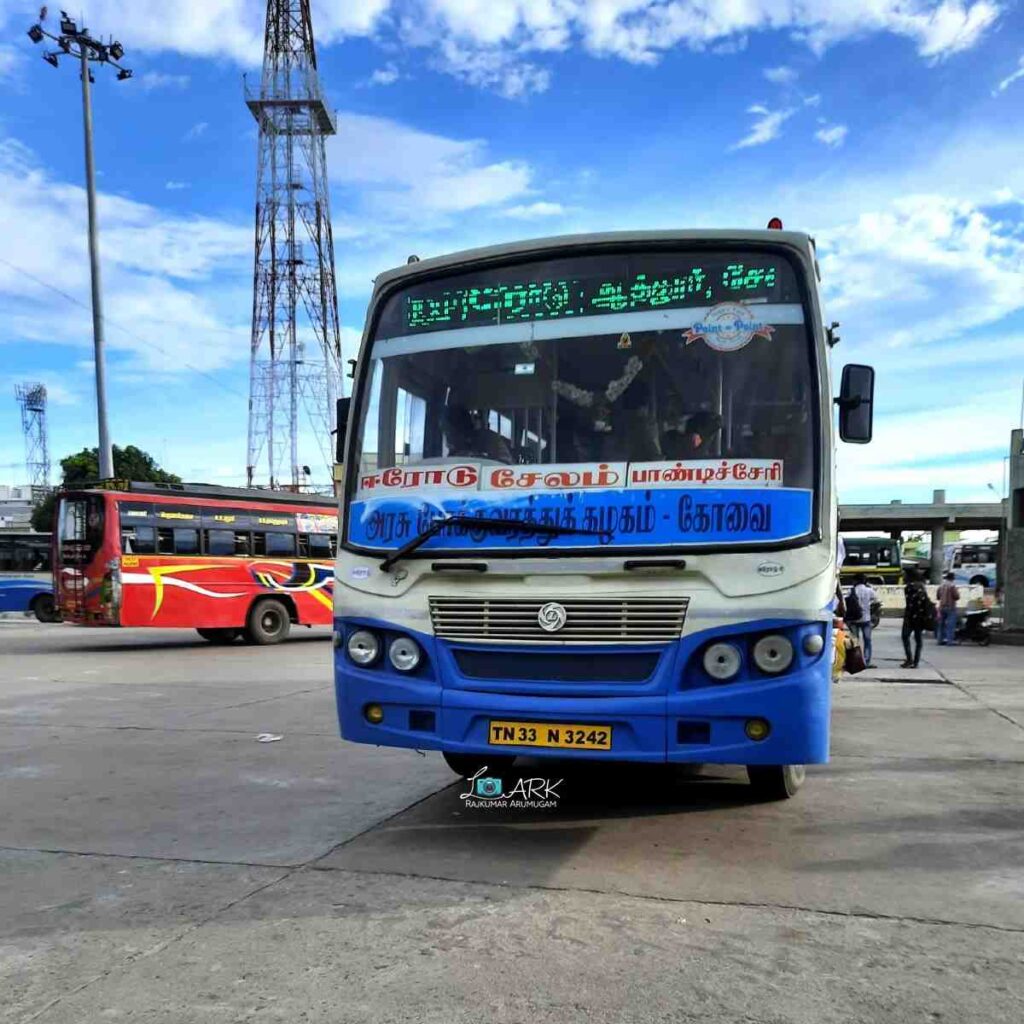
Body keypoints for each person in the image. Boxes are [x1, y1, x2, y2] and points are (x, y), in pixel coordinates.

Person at [901, 567, 931, 669]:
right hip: (920, 616)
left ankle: (910, 659)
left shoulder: (909, 587)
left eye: (904, 574)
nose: (903, 576)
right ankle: (915, 661)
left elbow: (910, 603)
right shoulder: (922, 586)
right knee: (918, 640)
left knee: (905, 637)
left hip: (911, 616)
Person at [848, 573, 877, 668]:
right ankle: (866, 661)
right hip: (866, 619)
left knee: (854, 641)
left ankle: (855, 661)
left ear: (855, 581)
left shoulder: (851, 591)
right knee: (867, 641)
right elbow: (876, 601)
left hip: (853, 619)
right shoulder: (869, 590)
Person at [936, 571, 960, 646]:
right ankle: (950, 641)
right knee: (950, 625)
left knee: (941, 625)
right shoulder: (952, 586)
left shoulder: (941, 585)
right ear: (952, 578)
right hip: (951, 607)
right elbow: (956, 596)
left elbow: (938, 596)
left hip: (942, 607)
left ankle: (940, 640)